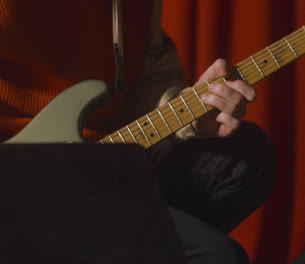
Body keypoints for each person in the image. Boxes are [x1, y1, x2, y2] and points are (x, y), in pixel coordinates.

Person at [0, 1, 277, 264]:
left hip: (98, 157)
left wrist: (190, 114)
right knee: (216, 256)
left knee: (244, 155)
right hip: (16, 179)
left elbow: (149, 75)